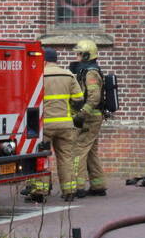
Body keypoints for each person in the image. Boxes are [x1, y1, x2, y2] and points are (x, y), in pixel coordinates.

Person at [29, 47, 84, 202]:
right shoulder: (68, 75)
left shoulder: (38, 75)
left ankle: (39, 192)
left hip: (44, 126)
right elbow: (79, 100)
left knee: (41, 158)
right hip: (66, 125)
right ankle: (69, 191)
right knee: (66, 157)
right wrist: (69, 112)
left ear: (44, 60)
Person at [70, 39, 107, 198]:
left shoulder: (91, 72)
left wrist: (81, 115)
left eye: (79, 54)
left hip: (90, 117)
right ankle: (98, 186)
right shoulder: (86, 70)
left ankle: (78, 187)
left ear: (86, 55)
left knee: (78, 150)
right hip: (92, 117)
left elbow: (94, 97)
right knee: (91, 152)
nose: (76, 57)